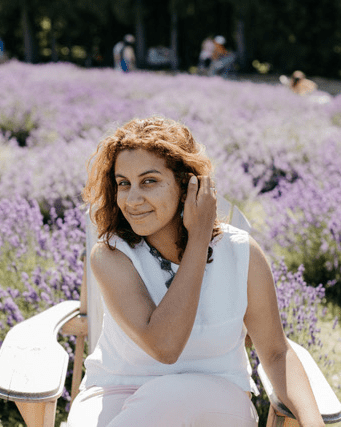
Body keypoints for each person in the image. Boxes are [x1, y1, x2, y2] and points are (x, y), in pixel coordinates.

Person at [62, 117, 325, 427]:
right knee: (159, 399)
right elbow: (165, 346)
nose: (132, 199)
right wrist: (198, 240)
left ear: (188, 185)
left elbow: (277, 353)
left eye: (149, 181)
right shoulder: (112, 255)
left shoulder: (242, 254)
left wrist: (314, 424)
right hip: (116, 394)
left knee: (176, 393)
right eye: (124, 183)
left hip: (215, 399)